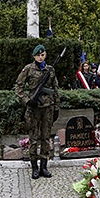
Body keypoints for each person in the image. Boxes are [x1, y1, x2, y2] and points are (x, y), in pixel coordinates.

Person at [14, 44, 60, 180]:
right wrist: (28, 100)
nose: (40, 57)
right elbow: (18, 87)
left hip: (48, 108)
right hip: (33, 109)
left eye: (43, 55)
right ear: (34, 56)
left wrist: (56, 107)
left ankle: (44, 167)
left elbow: (55, 89)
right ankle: (34, 167)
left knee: (46, 138)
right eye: (38, 55)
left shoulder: (50, 70)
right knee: (34, 138)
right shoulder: (28, 69)